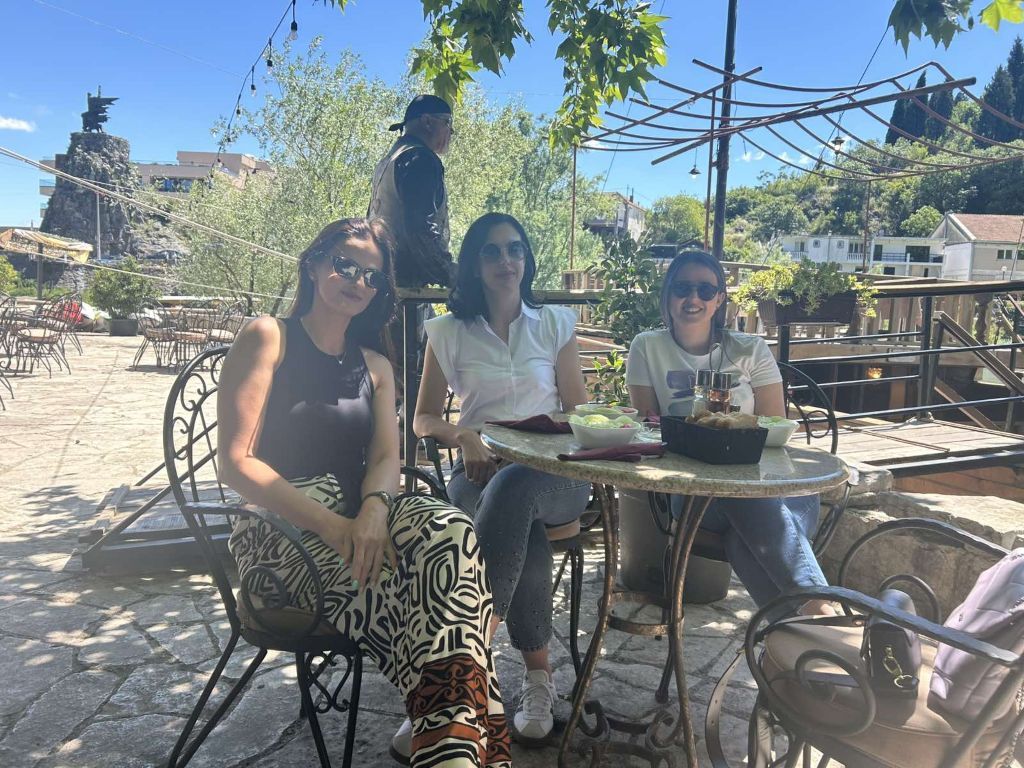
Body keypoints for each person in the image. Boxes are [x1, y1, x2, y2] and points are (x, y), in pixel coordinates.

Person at [217, 218, 510, 767]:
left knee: (453, 531)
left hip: (360, 515)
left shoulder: (375, 365)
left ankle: (447, 748)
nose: (358, 281)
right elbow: (236, 463)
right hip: (281, 530)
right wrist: (337, 527)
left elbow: (383, 461)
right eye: (345, 266)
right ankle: (458, 749)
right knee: (433, 599)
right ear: (313, 264)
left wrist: (374, 512)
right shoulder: (268, 337)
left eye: (372, 277)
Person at [414, 213, 592, 745]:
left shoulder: (555, 325)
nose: (505, 260)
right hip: (477, 471)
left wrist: (556, 435)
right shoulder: (448, 332)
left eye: (515, 249)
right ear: (474, 264)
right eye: (491, 251)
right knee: (522, 528)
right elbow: (423, 419)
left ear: (527, 260)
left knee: (517, 489)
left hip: (556, 476)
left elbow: (580, 412)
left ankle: (458, 670)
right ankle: (539, 678)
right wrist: (462, 435)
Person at [626, 250, 833, 616]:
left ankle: (798, 636)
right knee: (744, 500)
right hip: (695, 492)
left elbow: (774, 427)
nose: (693, 298)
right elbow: (648, 429)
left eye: (705, 290)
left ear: (720, 298)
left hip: (773, 486)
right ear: (668, 294)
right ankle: (822, 612)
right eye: (682, 288)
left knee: (745, 532)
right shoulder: (647, 346)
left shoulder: (750, 349)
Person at [368, 93, 455, 289]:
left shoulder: (390, 160)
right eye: (447, 123)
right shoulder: (419, 159)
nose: (451, 133)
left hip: (382, 277)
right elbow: (420, 226)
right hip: (407, 285)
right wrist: (449, 273)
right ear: (427, 122)